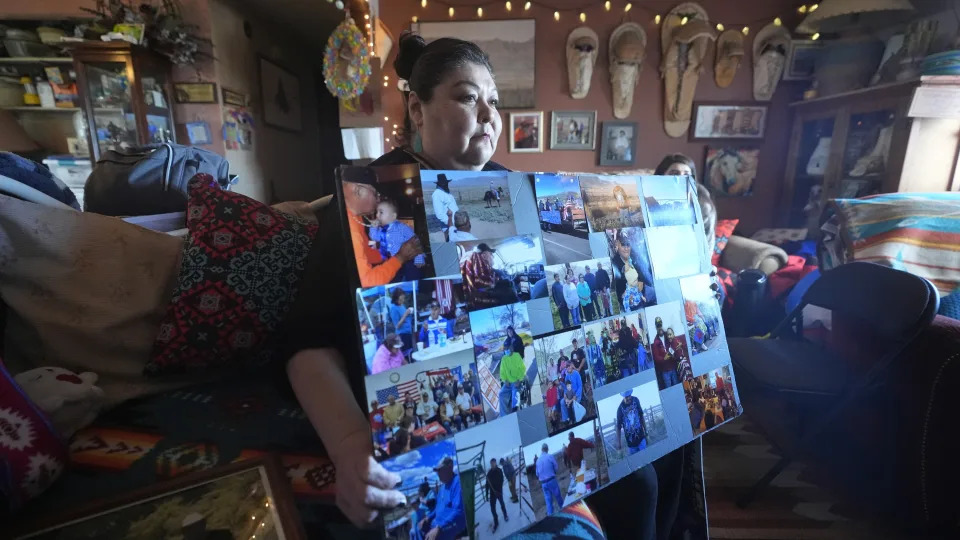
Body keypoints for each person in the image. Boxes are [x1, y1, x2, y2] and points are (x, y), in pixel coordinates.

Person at [369, 198, 427, 281]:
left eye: (381, 212)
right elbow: (374, 237)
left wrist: (419, 256)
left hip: (409, 258)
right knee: (394, 277)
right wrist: (373, 227)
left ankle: (415, 288)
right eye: (377, 212)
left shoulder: (402, 227)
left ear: (393, 216)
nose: (377, 215)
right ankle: (399, 289)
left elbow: (415, 241)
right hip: (394, 260)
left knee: (413, 274)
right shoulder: (381, 230)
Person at [419, 457, 466, 540]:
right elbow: (437, 508)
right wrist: (428, 517)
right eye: (437, 471)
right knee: (420, 529)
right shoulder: (442, 488)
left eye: (440, 470)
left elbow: (459, 512)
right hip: (437, 524)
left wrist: (440, 527)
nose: (438, 474)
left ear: (450, 467)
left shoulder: (457, 482)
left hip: (449, 526)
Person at [499, 338, 526, 417]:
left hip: (516, 382)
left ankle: (516, 412)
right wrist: (505, 380)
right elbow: (502, 372)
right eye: (505, 348)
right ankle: (504, 415)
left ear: (512, 348)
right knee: (501, 394)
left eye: (508, 348)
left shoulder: (517, 356)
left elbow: (522, 369)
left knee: (515, 394)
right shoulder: (504, 358)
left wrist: (519, 379)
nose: (507, 350)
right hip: (508, 383)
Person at [616, 389, 648, 454]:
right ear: (623, 396)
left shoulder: (636, 400)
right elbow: (618, 427)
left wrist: (646, 432)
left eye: (629, 395)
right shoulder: (620, 409)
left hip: (641, 439)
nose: (629, 398)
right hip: (631, 445)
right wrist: (619, 444)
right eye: (626, 397)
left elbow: (641, 416)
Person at [651, 317, 680, 389]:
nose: (660, 327)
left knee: (677, 386)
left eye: (660, 325)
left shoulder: (667, 334)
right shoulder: (655, 342)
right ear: (656, 327)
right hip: (665, 371)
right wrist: (664, 359)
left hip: (673, 367)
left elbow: (674, 339)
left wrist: (679, 343)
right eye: (658, 326)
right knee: (669, 389)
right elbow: (656, 358)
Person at [535, 444, 563, 515]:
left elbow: (537, 474)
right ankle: (563, 510)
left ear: (542, 449)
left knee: (548, 501)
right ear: (547, 449)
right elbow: (556, 467)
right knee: (558, 497)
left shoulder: (538, 461)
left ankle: (550, 515)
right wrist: (553, 471)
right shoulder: (550, 456)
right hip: (551, 481)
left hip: (544, 484)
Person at [432, 173, 459, 242]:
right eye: (444, 183)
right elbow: (439, 214)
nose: (446, 184)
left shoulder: (446, 192)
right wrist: (450, 224)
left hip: (455, 223)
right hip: (449, 226)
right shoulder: (437, 194)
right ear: (439, 184)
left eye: (446, 183)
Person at [389, 289, 415, 354]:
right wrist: (406, 314)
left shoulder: (402, 306)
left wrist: (409, 314)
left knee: (410, 352)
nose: (403, 300)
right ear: (396, 299)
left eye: (403, 298)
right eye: (401, 299)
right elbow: (397, 326)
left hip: (408, 332)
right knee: (406, 354)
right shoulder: (393, 309)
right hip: (402, 335)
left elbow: (405, 317)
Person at [486, 458, 509, 531]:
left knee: (502, 503)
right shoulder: (489, 473)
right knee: (492, 508)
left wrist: (499, 491)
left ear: (495, 463)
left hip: (498, 492)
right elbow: (487, 484)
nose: (492, 464)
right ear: (490, 464)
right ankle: (496, 522)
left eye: (494, 463)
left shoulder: (499, 470)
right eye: (491, 463)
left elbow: (501, 480)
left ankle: (505, 515)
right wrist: (487, 495)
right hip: (492, 494)